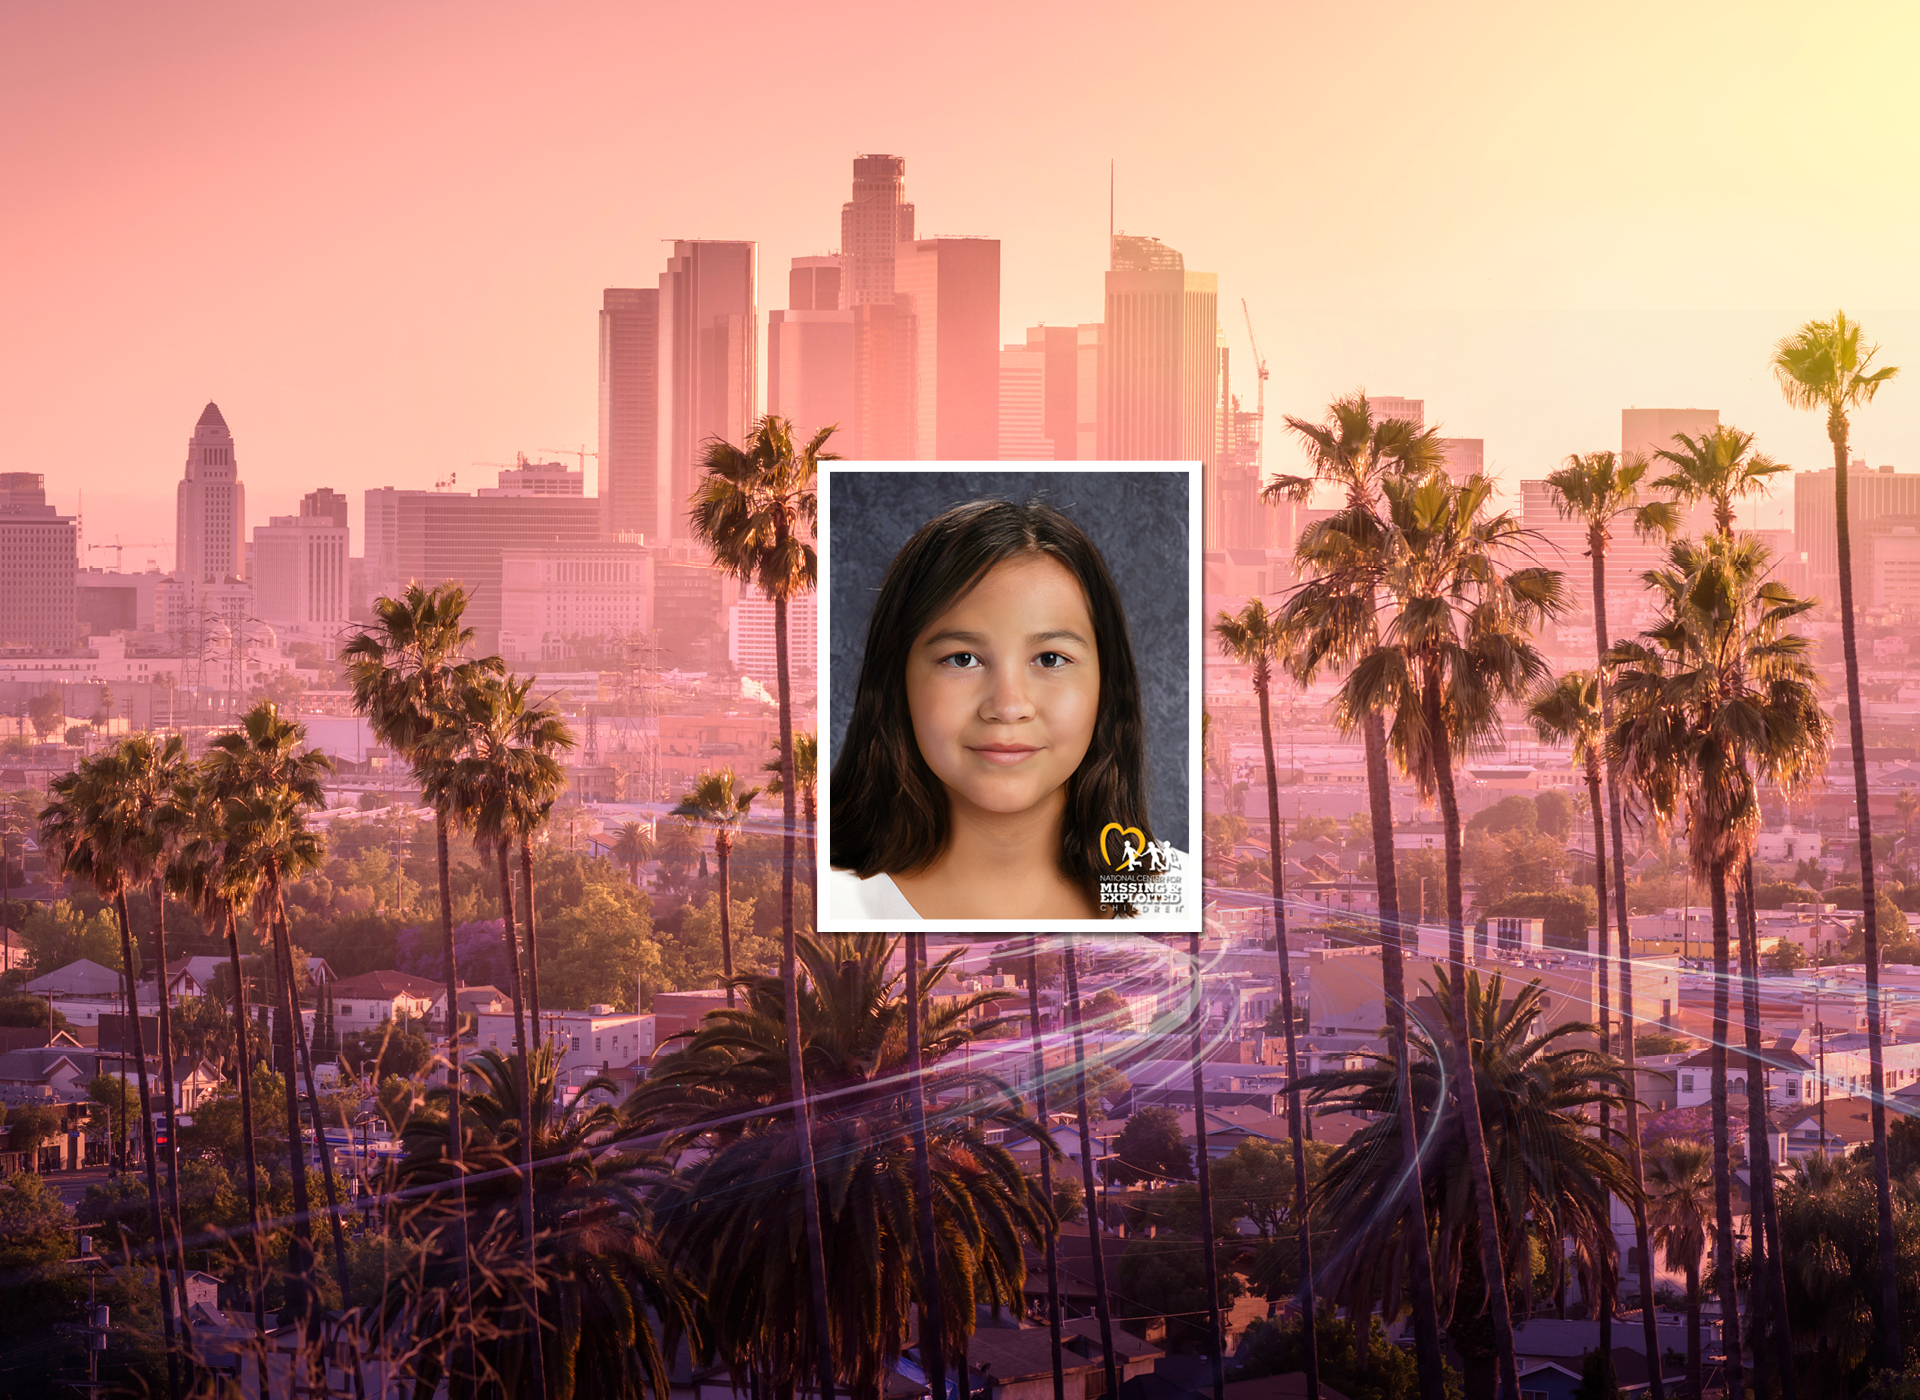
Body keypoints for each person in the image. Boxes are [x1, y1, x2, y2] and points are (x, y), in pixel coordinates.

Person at [829, 497, 1161, 920]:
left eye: (1050, 659)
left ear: (1106, 687)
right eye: (963, 659)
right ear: (897, 682)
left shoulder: (1190, 903)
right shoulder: (824, 904)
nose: (1007, 707)